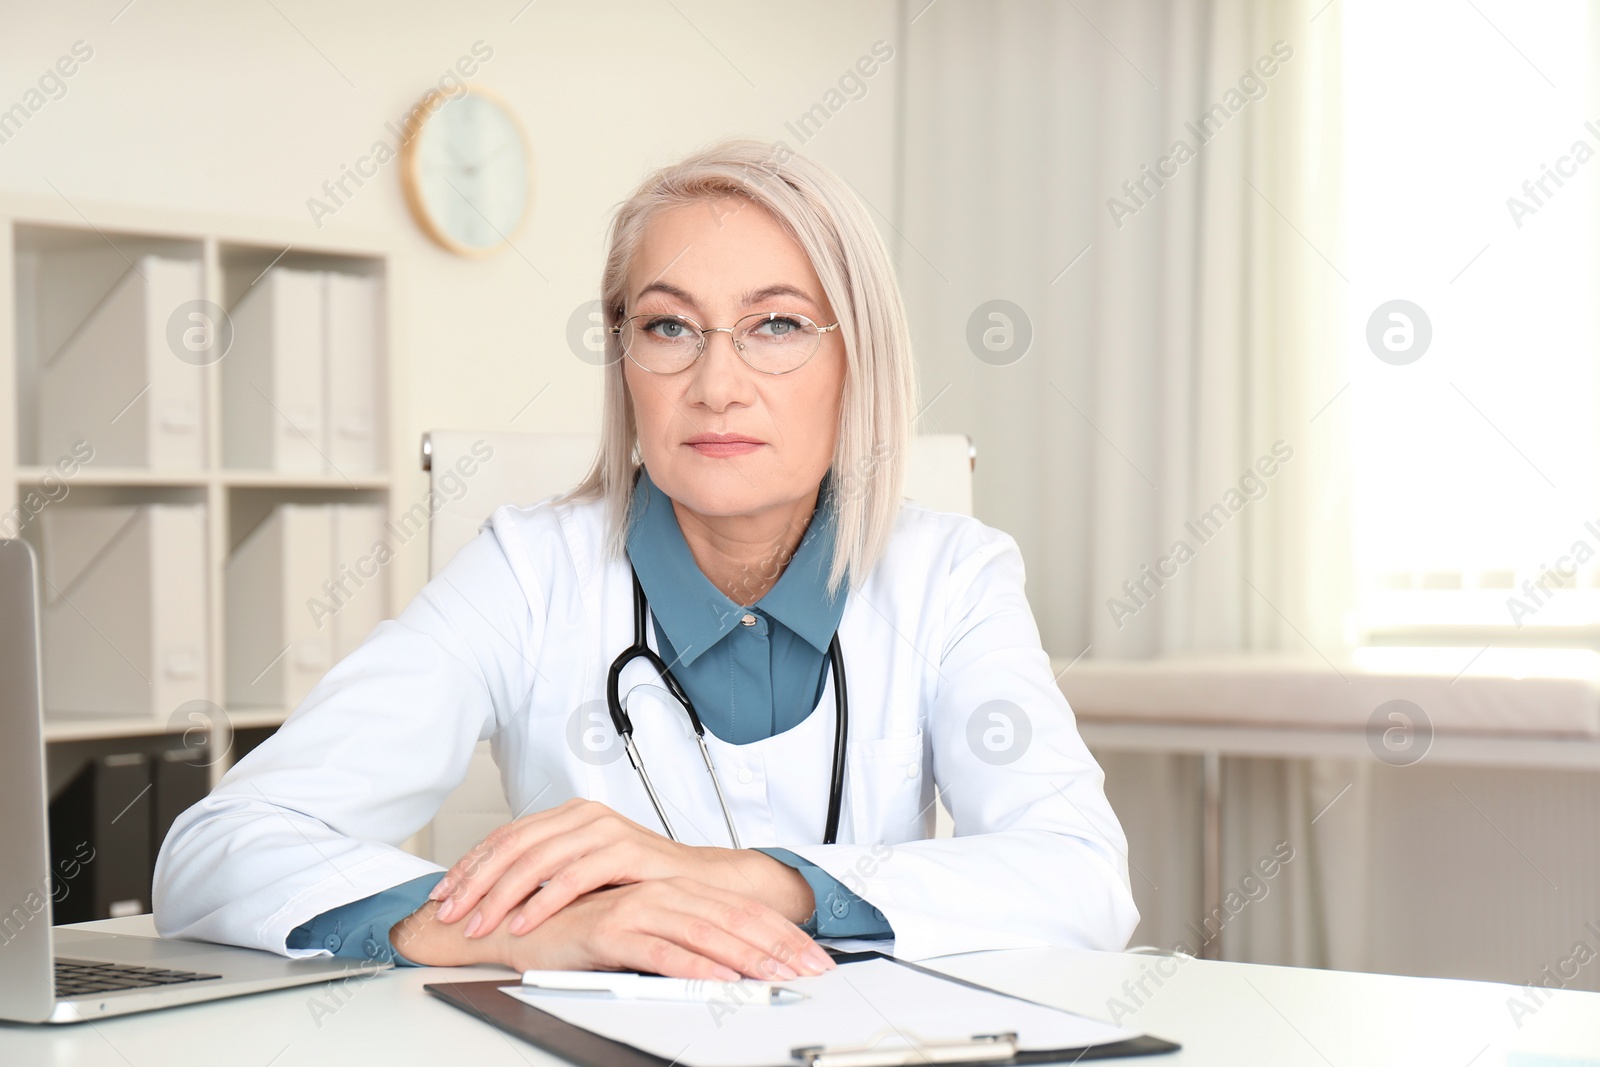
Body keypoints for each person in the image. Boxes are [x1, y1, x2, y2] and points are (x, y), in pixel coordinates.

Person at [153, 138, 1138, 979]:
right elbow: (212, 851)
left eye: (777, 325)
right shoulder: (528, 571)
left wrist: (752, 878)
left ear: (860, 357)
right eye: (668, 326)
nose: (716, 383)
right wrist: (526, 929)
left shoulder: (951, 575)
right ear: (625, 360)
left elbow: (1082, 879)